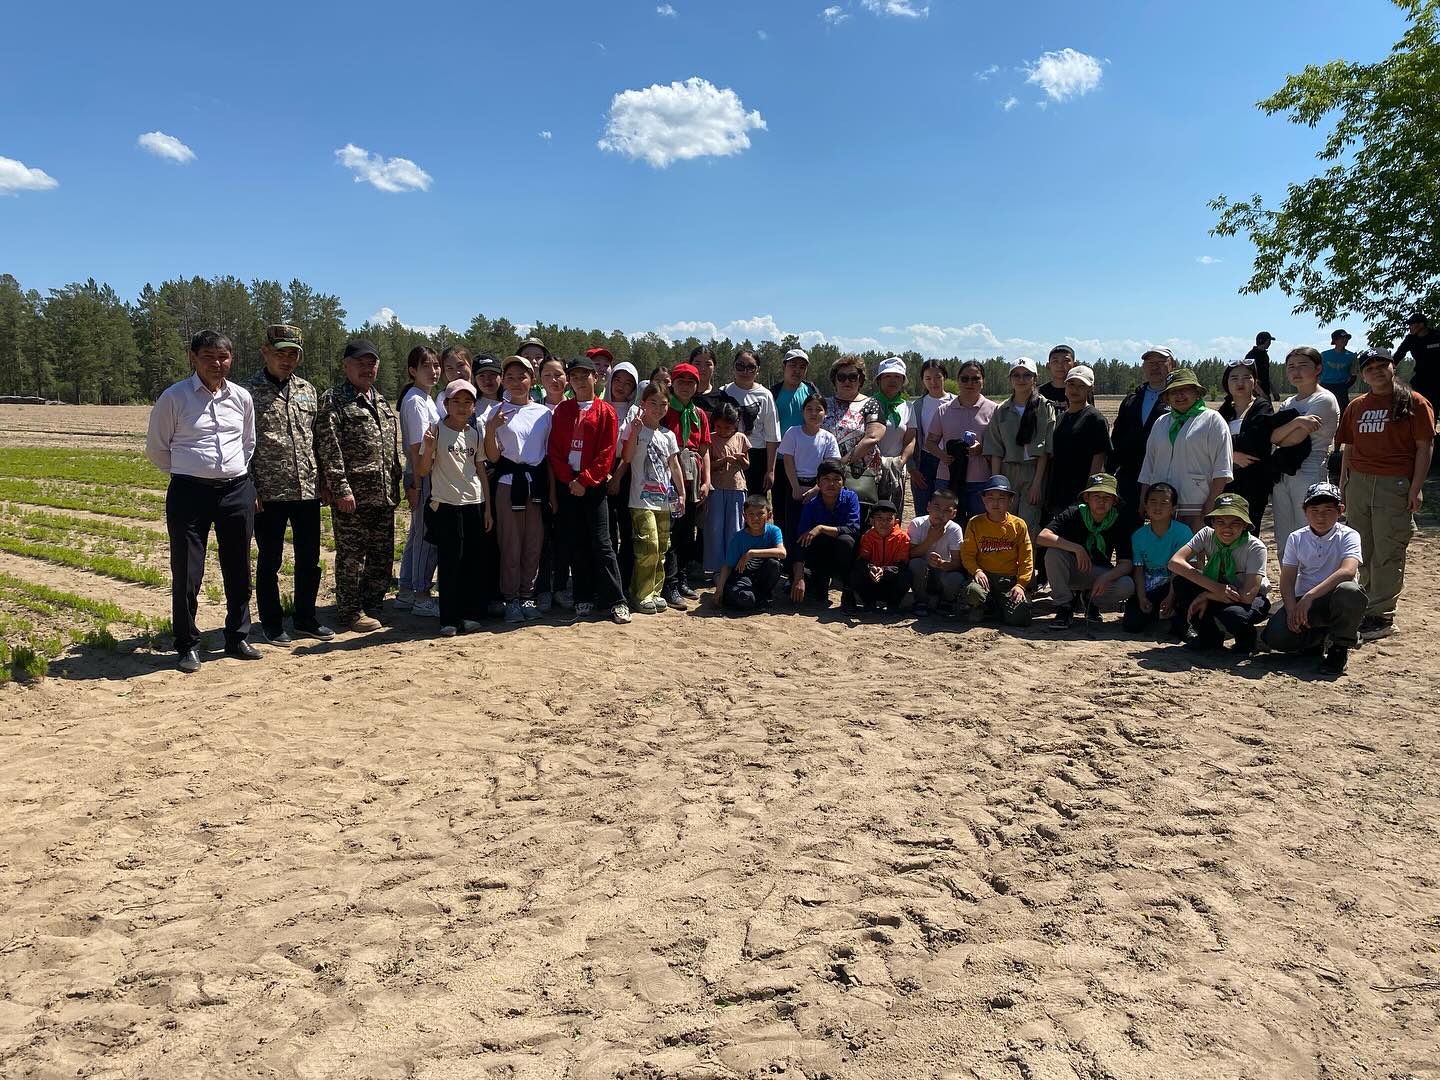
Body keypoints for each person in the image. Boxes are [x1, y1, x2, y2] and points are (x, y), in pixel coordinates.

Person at [145, 330, 260, 673]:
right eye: (208, 356)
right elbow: (157, 448)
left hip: (236, 491)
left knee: (239, 567)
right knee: (187, 572)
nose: (217, 363)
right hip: (189, 494)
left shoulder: (241, 397)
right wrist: (190, 470)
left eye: (223, 357)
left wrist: (231, 473)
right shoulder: (174, 397)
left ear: (231, 359)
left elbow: (248, 443)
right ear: (193, 358)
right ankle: (187, 645)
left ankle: (237, 636)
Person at [1336, 347, 1436, 639]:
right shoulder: (1357, 406)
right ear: (1363, 375)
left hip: (1394, 485)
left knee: (1388, 550)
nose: (1376, 371)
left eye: (1382, 365)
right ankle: (1366, 605)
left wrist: (1416, 488)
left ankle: (1381, 616)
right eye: (1369, 367)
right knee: (1362, 549)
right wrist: (1343, 485)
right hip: (1359, 483)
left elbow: (1424, 447)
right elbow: (1349, 448)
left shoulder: (1414, 402)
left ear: (1393, 367)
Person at [246, 324, 333, 645]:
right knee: (270, 560)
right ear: (265, 352)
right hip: (268, 492)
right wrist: (250, 486)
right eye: (280, 353)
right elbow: (241, 444)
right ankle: (271, 623)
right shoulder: (246, 393)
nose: (287, 360)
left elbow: (317, 439)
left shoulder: (307, 390)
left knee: (309, 559)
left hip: (306, 490)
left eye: (293, 354)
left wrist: (324, 480)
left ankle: (306, 618)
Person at [314, 338, 404, 634]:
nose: (367, 369)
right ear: (346, 366)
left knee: (381, 555)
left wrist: (396, 482)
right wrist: (340, 487)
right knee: (352, 557)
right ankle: (350, 611)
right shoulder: (335, 399)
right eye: (360, 363)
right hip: (353, 495)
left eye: (371, 363)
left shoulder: (381, 401)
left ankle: (373, 605)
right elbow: (329, 447)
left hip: (383, 493)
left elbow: (390, 449)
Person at [546, 355, 630, 624]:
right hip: (568, 485)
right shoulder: (562, 410)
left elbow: (607, 452)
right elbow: (555, 450)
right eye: (575, 376)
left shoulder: (606, 411)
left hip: (593, 486)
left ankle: (616, 600)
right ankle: (582, 596)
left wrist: (584, 480)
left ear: (596, 377)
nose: (580, 381)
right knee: (577, 543)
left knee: (602, 543)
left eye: (585, 375)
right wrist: (569, 480)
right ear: (569, 381)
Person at [1262, 482, 1365, 675]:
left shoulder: (1349, 535)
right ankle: (1315, 639)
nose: (1320, 516)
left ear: (1340, 510)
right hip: (1304, 602)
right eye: (1314, 510)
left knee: (1350, 591)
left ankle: (1340, 647)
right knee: (1275, 637)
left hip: (1335, 598)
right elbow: (1287, 578)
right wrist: (1291, 610)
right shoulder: (1296, 537)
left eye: (1328, 510)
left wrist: (1310, 596)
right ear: (1304, 511)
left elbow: (1348, 571)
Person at [416, 380, 492, 636]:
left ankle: (469, 615)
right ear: (446, 404)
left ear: (474, 406)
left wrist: (488, 509)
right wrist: (428, 448)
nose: (461, 407)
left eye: (467, 402)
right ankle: (448, 619)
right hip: (446, 505)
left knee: (472, 562)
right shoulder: (436, 431)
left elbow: (480, 469)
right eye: (456, 401)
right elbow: (423, 470)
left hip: (474, 504)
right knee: (450, 564)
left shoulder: (474, 433)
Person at [486, 356, 554, 624]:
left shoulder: (544, 413)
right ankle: (511, 598)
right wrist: (491, 428)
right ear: (503, 380)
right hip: (507, 485)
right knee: (510, 544)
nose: (516, 382)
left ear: (532, 380)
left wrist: (552, 493)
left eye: (522, 377)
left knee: (533, 543)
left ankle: (527, 595)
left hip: (535, 486)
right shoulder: (497, 412)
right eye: (510, 377)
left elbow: (548, 456)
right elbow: (493, 456)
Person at [1166, 493, 1270, 653]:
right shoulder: (1206, 534)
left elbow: (1248, 595)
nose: (1227, 528)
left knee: (1234, 615)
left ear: (1244, 525)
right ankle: (1209, 636)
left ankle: (1246, 638)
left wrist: (1207, 595)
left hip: (1249, 598)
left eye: (1235, 523)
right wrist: (1216, 588)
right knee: (1182, 583)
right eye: (1220, 522)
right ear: (1213, 523)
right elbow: (1175, 562)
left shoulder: (1255, 547)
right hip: (1219, 588)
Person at [1037, 472, 1136, 628]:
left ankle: (1090, 599)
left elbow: (1126, 564)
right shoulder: (1073, 512)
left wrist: (1106, 578)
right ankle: (1064, 606)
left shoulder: (1119, 521)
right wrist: (1077, 548)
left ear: (1114, 501)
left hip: (1098, 573)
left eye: (1107, 497)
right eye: (1096, 496)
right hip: (1070, 570)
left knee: (1127, 585)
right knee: (1053, 553)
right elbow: (1042, 537)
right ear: (1086, 498)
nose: (1101, 502)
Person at [1138, 368, 1232, 531]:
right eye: (1173, 391)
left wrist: (1211, 502)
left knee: (1195, 547)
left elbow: (1222, 468)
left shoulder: (1212, 420)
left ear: (1197, 393)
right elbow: (1149, 465)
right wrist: (1143, 500)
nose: (1179, 395)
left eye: (1185, 389)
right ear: (1167, 398)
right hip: (1162, 508)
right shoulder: (1160, 422)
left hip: (1197, 506)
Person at [1269, 347, 1341, 555]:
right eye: (1291, 367)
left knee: (1310, 529)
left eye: (1303, 365)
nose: (1296, 371)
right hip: (1283, 471)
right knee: (1284, 534)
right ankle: (1288, 575)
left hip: (1310, 469)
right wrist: (1298, 422)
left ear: (1318, 368)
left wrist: (1286, 431)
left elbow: (1295, 439)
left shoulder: (1324, 399)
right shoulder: (1288, 403)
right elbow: (1273, 437)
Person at [624, 381, 686, 615]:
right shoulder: (637, 429)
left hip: (664, 501)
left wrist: (681, 493)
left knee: (661, 548)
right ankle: (640, 594)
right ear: (643, 404)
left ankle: (655, 592)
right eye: (653, 403)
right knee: (647, 546)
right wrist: (634, 432)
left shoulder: (668, 435)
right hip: (640, 500)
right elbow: (627, 457)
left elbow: (674, 465)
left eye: (663, 404)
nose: (658, 409)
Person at [983, 357, 1054, 547]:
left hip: (1033, 471)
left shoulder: (1044, 407)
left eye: (1027, 375)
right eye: (1016, 375)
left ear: (1035, 378)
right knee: (1005, 523)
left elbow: (1045, 449)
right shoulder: (1002, 410)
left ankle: (1027, 566)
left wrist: (1037, 483)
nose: (1021, 379)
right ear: (1010, 379)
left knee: (1028, 526)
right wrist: (996, 484)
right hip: (1007, 471)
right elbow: (996, 449)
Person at [396, 346, 442, 618]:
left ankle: (406, 590)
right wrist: (416, 484)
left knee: (416, 534)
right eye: (426, 366)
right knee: (427, 536)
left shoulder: (425, 398)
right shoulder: (415, 401)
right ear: (412, 370)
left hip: (422, 474)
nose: (433, 371)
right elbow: (416, 448)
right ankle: (422, 596)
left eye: (436, 365)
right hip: (422, 474)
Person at [662, 361, 712, 608]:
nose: (685, 386)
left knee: (687, 531)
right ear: (672, 384)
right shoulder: (664, 409)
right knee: (672, 530)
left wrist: (707, 481)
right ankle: (669, 582)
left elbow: (704, 450)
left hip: (693, 476)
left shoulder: (698, 414)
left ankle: (681, 578)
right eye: (680, 381)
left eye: (691, 382)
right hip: (670, 474)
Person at [957, 474, 1033, 627]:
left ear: (1010, 501)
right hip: (984, 577)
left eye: (1001, 498)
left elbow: (1027, 558)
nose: (995, 503)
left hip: (1008, 580)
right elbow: (967, 554)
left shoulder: (1018, 525)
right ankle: (981, 606)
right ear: (983, 500)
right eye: (990, 498)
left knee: (1020, 618)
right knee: (973, 592)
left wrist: (1021, 585)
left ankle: (998, 606)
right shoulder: (975, 523)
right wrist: (977, 571)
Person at [1217, 359, 1283, 531]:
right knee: (1225, 530)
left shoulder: (1262, 406)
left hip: (1254, 482)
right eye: (1234, 378)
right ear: (1226, 383)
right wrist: (1231, 455)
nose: (1240, 383)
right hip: (1225, 482)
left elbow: (1255, 442)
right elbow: (1211, 444)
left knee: (1249, 530)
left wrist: (1227, 450)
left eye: (1246, 377)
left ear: (1255, 382)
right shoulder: (1224, 411)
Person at [777, 395, 842, 568]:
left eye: (818, 409)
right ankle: (791, 566)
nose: (813, 413)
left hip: (819, 486)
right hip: (794, 483)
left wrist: (815, 489)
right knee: (792, 525)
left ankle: (812, 566)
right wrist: (795, 487)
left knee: (814, 526)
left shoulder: (828, 438)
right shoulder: (793, 432)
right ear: (802, 412)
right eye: (809, 409)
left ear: (825, 413)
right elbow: (788, 460)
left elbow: (830, 466)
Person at [927, 359, 996, 518]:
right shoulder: (943, 410)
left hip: (980, 480)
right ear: (958, 381)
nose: (970, 383)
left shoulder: (994, 410)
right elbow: (930, 442)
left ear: (983, 381)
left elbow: (999, 445)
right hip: (947, 477)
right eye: (965, 379)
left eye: (975, 379)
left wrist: (982, 448)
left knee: (978, 524)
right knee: (945, 524)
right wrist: (942, 455)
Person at [1110, 347, 1177, 510]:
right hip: (1129, 477)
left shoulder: (1178, 399)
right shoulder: (1131, 400)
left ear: (1172, 365)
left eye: (1161, 362)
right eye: (1150, 363)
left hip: (1165, 478)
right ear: (1144, 367)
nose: (1155, 367)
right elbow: (1117, 439)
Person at [788, 460, 861, 607]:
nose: (831, 484)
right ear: (818, 483)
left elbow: (853, 529)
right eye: (826, 479)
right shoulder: (811, 505)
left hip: (844, 556)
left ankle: (848, 589)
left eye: (836, 479)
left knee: (846, 541)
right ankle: (820, 581)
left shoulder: (850, 498)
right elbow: (801, 540)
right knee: (811, 592)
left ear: (843, 482)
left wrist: (821, 528)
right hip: (820, 556)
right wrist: (798, 577)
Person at [1122, 482, 1191, 634]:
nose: (1157, 507)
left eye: (1164, 503)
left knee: (1185, 590)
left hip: (1174, 586)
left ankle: (1178, 619)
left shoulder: (1183, 532)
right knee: (1131, 625)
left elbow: (1180, 570)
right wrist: (1141, 597)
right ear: (1145, 506)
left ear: (1173, 508)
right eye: (1153, 501)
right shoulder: (1138, 535)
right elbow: (1138, 570)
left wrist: (1171, 597)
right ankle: (1162, 617)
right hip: (1150, 588)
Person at [823, 355, 887, 519]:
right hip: (826, 478)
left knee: (856, 524)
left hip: (860, 477)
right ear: (834, 379)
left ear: (860, 380)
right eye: (841, 377)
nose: (847, 381)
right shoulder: (823, 404)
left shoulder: (871, 404)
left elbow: (873, 436)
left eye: (852, 377)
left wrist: (841, 463)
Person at [1044, 364, 1111, 519]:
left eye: (1081, 386)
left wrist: (1089, 494)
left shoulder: (1095, 419)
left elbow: (1099, 459)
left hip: (1079, 495)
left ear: (1090, 389)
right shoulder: (1060, 418)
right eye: (1071, 384)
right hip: (1058, 492)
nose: (1075, 389)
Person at [533, 353, 571, 610]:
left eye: (558, 374)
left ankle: (561, 587)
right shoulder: (536, 410)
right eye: (547, 375)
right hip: (543, 479)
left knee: (566, 536)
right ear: (539, 379)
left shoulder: (575, 407)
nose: (553, 380)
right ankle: (543, 588)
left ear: (566, 377)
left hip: (571, 479)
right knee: (544, 536)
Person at [771, 347, 820, 544]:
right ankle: (783, 548)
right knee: (781, 508)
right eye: (793, 365)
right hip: (779, 460)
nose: (797, 370)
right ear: (784, 367)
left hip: (806, 461)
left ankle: (804, 548)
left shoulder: (810, 391)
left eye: (802, 367)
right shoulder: (773, 393)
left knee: (806, 507)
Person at [722, 348, 781, 494]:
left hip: (757, 456)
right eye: (740, 366)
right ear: (733, 367)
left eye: (751, 367)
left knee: (754, 503)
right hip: (728, 454)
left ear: (757, 370)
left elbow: (772, 436)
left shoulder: (765, 395)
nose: (745, 371)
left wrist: (770, 471)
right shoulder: (723, 392)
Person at [714, 495, 786, 612]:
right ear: (744, 517)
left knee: (774, 564)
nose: (755, 518)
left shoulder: (774, 531)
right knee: (746, 600)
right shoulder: (739, 537)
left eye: (760, 513)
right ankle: (735, 593)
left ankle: (762, 595)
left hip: (761, 575)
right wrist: (719, 590)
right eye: (751, 514)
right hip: (742, 576)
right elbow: (728, 565)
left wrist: (751, 553)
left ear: (769, 515)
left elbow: (782, 553)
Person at [604, 361, 641, 587]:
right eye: (617, 380)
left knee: (627, 528)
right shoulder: (599, 406)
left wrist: (617, 476)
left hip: (628, 472)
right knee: (606, 529)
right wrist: (607, 474)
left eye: (628, 383)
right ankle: (606, 581)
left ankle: (625, 580)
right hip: (602, 469)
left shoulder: (636, 412)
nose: (621, 386)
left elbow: (631, 449)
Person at [704, 402, 750, 582]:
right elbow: (708, 465)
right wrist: (724, 461)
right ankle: (716, 568)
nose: (723, 431)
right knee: (715, 528)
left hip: (737, 488)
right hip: (716, 488)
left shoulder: (741, 438)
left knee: (735, 528)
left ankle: (733, 566)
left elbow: (747, 465)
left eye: (727, 427)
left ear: (735, 424)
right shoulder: (710, 438)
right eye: (718, 427)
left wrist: (741, 460)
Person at [904, 359, 953, 517]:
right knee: (923, 509)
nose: (933, 382)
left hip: (950, 461)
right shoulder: (916, 406)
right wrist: (912, 468)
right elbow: (910, 439)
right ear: (923, 380)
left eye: (938, 377)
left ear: (945, 377)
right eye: (928, 378)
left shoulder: (955, 402)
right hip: (924, 461)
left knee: (946, 510)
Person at [906, 487, 965, 617]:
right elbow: (910, 554)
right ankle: (921, 600)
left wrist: (941, 564)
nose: (940, 513)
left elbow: (957, 563)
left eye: (947, 510)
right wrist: (930, 540)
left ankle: (946, 600)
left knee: (957, 578)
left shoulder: (955, 529)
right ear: (928, 507)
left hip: (942, 574)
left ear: (954, 513)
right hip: (922, 575)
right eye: (937, 507)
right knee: (916, 564)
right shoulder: (917, 524)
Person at [846, 499, 911, 612]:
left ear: (896, 521)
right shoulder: (867, 537)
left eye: (889, 519)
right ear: (872, 521)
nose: (884, 523)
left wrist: (884, 570)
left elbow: (902, 564)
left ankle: (893, 604)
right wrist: (870, 569)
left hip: (891, 581)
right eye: (879, 518)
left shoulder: (903, 538)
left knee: (906, 575)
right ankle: (868, 602)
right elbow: (862, 559)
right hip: (873, 580)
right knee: (856, 573)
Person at [870, 357, 915, 517]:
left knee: (893, 515)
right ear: (879, 380)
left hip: (896, 470)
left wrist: (901, 461)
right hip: (870, 469)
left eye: (897, 377)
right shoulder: (869, 404)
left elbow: (910, 439)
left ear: (903, 381)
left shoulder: (908, 407)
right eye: (887, 376)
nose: (892, 380)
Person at [1394, 311, 1440, 406]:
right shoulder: (1410, 339)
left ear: (1421, 325)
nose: (1409, 327)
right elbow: (1399, 354)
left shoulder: (1437, 336)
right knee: (1422, 405)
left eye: (1411, 324)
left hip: (1438, 376)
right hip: (1422, 378)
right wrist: (1390, 367)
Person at [1320, 329, 1358, 410]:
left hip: (1341, 386)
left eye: (1346, 338)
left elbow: (1354, 374)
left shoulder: (1351, 356)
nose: (1345, 340)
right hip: (1325, 386)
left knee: (1343, 410)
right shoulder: (1324, 355)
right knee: (1324, 409)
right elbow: (1317, 371)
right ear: (1335, 340)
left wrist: (1345, 386)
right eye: (1342, 338)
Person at [689, 345, 729, 419]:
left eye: (708, 364)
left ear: (714, 367)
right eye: (698, 363)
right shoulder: (680, 394)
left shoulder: (722, 398)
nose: (702, 368)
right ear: (690, 365)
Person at [1038, 344, 1076, 410]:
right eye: (1055, 361)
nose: (1060, 365)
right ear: (1048, 366)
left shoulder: (1080, 391)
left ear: (1075, 365)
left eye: (1065, 361)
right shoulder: (1038, 393)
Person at [1243, 331, 1275, 399]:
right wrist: (1261, 394)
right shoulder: (1251, 356)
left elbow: (1266, 375)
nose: (1270, 343)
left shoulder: (1265, 355)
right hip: (1255, 394)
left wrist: (1273, 391)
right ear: (1264, 341)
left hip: (1265, 393)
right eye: (1269, 341)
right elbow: (1249, 377)